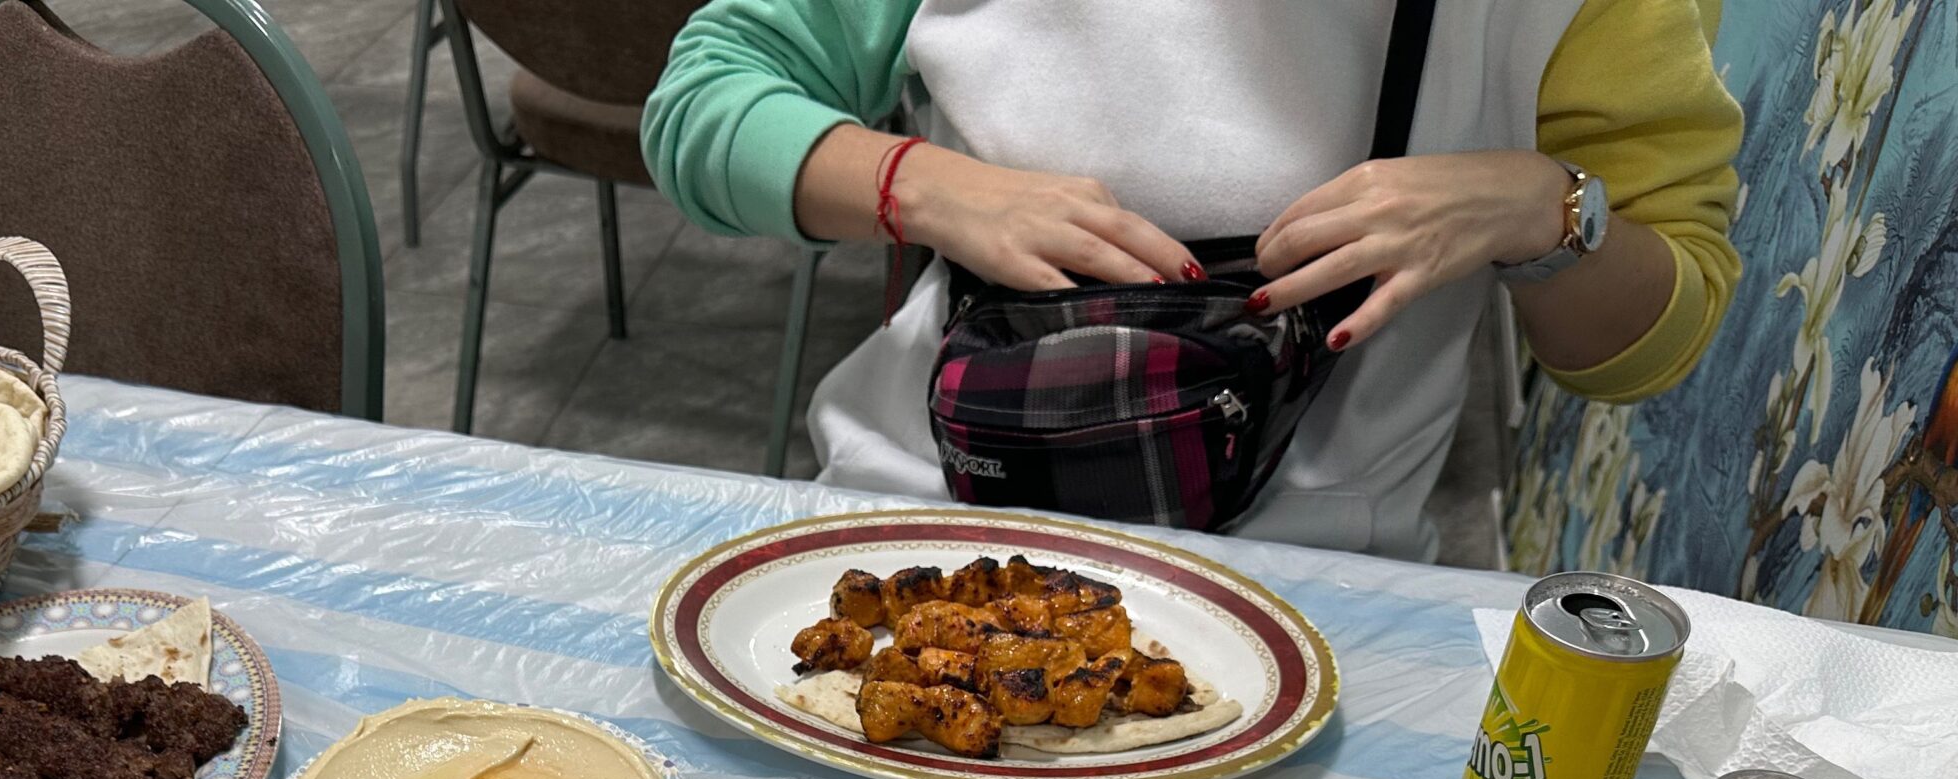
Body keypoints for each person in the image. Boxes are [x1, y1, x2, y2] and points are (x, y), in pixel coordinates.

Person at [643, 0, 1743, 559]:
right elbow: (703, 101)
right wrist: (921, 186)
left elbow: (1647, 343)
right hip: (927, 511)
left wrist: (1545, 209)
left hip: (1315, 581)